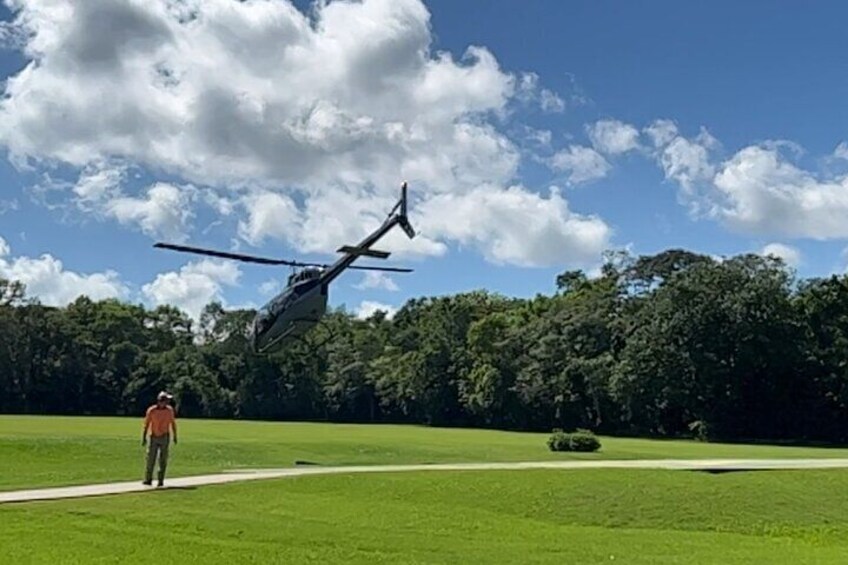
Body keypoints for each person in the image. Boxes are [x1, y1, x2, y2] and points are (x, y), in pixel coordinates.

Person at [142, 391, 178, 487]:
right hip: (154, 436)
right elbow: (146, 424)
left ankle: (160, 480)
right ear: (160, 401)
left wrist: (175, 436)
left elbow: (173, 423)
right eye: (166, 400)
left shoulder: (169, 410)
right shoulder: (151, 410)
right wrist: (144, 437)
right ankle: (148, 479)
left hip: (165, 436)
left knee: (163, 459)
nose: (167, 403)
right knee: (150, 458)